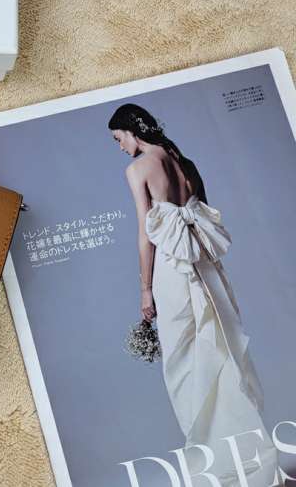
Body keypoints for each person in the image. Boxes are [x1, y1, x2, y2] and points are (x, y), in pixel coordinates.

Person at [108, 103, 280, 486]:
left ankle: (217, 460)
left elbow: (145, 236)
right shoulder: (184, 161)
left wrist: (145, 290)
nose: (119, 147)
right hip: (203, 264)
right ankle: (245, 453)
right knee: (220, 348)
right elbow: (199, 215)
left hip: (173, 270)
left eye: (118, 139)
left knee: (184, 359)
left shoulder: (137, 169)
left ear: (131, 131)